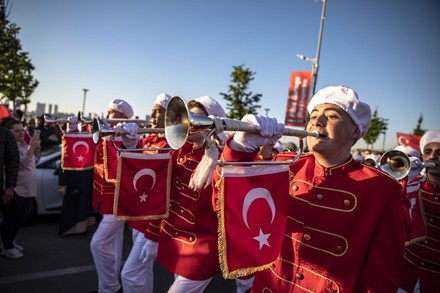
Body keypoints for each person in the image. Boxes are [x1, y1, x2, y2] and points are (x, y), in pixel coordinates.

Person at [213, 85, 406, 292]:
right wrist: (239, 150)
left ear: (354, 131)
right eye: (313, 115)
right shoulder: (283, 165)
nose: (317, 121)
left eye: (331, 116)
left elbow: (382, 275)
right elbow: (223, 207)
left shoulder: (382, 189)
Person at [156, 96, 227, 293]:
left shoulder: (223, 157)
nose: (188, 121)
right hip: (177, 240)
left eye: (195, 117)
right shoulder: (181, 151)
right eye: (187, 115)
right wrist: (126, 143)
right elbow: (153, 173)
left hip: (203, 246)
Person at [120, 93, 172, 293]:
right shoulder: (149, 139)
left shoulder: (170, 145)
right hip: (139, 215)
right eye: (152, 111)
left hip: (153, 219)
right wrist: (129, 141)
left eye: (158, 112)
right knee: (143, 272)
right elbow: (127, 164)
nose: (152, 116)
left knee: (129, 274)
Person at [90, 99, 134, 293]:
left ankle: (109, 287)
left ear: (123, 116)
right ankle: (106, 287)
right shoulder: (109, 132)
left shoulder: (128, 133)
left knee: (98, 244)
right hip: (108, 198)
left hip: (121, 199)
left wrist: (125, 136)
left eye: (112, 112)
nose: (107, 115)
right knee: (114, 246)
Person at [399, 130, 440, 292]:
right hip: (402, 275)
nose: (433, 157)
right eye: (428, 152)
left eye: (439, 152)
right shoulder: (411, 186)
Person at [1, 118, 40, 259]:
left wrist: (36, 149)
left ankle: (9, 240)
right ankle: (7, 246)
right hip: (16, 188)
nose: (21, 133)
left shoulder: (23, 145)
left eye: (22, 130)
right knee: (11, 219)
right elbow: (21, 165)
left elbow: (34, 161)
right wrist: (31, 149)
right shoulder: (9, 147)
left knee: (22, 218)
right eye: (16, 131)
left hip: (29, 188)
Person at [57, 116, 96, 235]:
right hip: (72, 182)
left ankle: (82, 229)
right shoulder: (70, 142)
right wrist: (62, 184)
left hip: (87, 181)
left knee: (84, 207)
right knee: (72, 208)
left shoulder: (90, 143)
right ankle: (69, 230)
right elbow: (64, 164)